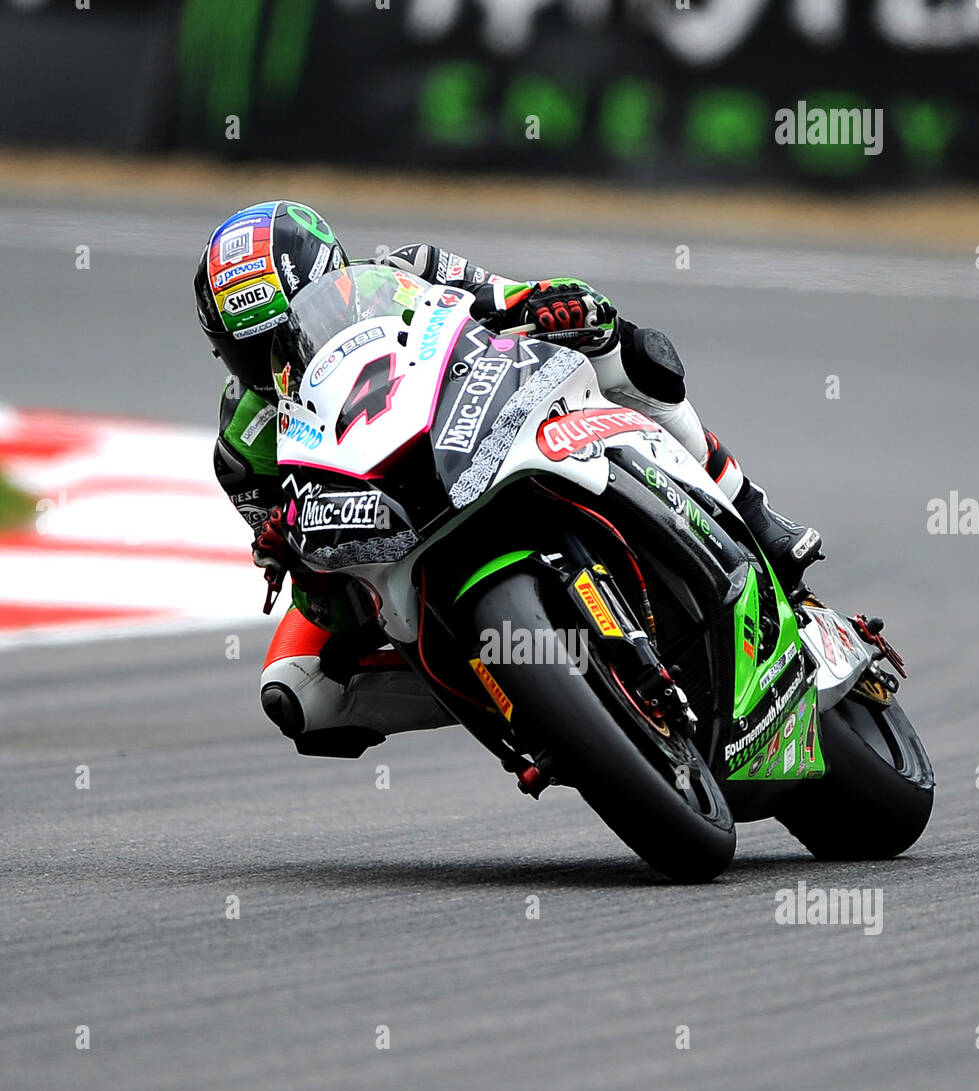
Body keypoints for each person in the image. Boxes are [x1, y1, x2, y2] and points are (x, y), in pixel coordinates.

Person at [194, 200, 822, 758]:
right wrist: (300, 563)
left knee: (628, 348)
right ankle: (530, 707)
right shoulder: (244, 450)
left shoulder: (409, 272)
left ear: (335, 275)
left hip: (482, 430)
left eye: (287, 331)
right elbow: (329, 605)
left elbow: (512, 297)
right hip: (385, 540)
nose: (279, 353)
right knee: (294, 690)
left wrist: (549, 305)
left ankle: (755, 514)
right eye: (253, 348)